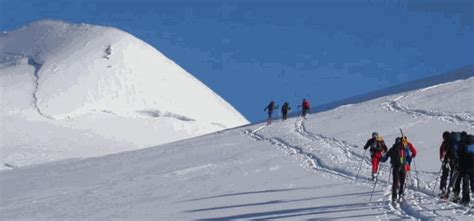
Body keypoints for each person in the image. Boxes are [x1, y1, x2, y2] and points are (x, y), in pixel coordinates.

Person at [382, 137, 409, 203]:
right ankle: (397, 196)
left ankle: (398, 195)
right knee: (398, 182)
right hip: (398, 167)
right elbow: (410, 155)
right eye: (398, 142)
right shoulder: (397, 149)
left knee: (399, 182)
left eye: (399, 142)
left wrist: (382, 159)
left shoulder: (403, 149)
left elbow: (409, 154)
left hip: (400, 167)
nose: (398, 143)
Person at [458, 133, 474, 206]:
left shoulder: (464, 146)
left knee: (465, 184)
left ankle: (465, 200)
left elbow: (460, 158)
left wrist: (460, 167)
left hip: (465, 169)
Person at [439, 131, 452, 197]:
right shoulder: (453, 142)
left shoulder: (444, 143)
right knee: (452, 176)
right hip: (454, 161)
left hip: (446, 161)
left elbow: (442, 151)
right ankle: (451, 189)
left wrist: (442, 158)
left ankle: (443, 189)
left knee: (445, 175)